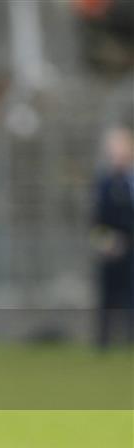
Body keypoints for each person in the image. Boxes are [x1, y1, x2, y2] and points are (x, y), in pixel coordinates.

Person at [91, 125, 134, 348]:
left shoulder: (131, 183)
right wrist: (105, 242)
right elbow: (96, 220)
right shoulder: (104, 184)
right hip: (111, 248)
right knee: (107, 297)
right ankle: (103, 343)